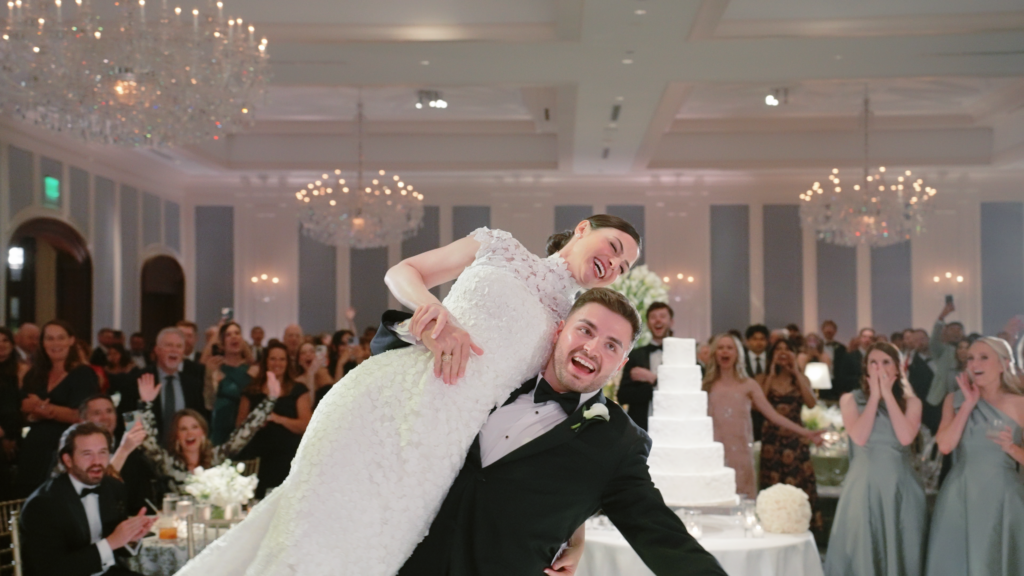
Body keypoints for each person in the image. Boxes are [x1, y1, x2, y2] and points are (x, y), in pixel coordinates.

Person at [173, 215, 641, 575]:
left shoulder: (574, 321)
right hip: (378, 400)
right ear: (583, 229)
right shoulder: (499, 246)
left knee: (368, 556)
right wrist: (435, 314)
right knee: (302, 529)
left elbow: (553, 423)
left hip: (437, 449)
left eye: (623, 267)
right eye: (615, 248)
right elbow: (404, 272)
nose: (614, 265)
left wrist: (575, 532)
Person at [383, 288, 726, 576]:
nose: (592, 349)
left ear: (621, 363)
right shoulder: (493, 373)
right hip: (405, 562)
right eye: (585, 330)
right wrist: (420, 330)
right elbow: (384, 361)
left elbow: (659, 533)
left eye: (611, 345)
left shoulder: (620, 443)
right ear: (559, 330)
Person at [823, 342, 925, 576]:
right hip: (864, 486)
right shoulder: (850, 400)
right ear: (866, 369)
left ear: (897, 369)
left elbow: (906, 436)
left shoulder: (912, 402)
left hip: (900, 486)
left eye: (886, 362)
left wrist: (887, 395)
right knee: (862, 550)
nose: (879, 368)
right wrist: (874, 397)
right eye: (873, 363)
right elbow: (859, 437)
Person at [926, 337, 1024, 576]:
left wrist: (1012, 449)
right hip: (961, 493)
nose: (974, 363)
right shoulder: (954, 399)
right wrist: (968, 405)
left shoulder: (1019, 403)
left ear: (1003, 364)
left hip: (1003, 495)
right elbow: (946, 445)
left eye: (983, 357)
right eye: (970, 358)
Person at [19, 422, 155, 576]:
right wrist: (111, 543)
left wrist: (131, 538)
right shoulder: (42, 504)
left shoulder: (112, 487)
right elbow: (51, 570)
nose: (97, 461)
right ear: (68, 460)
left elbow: (118, 548)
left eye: (103, 452)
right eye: (87, 454)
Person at [704, 334, 823, 499]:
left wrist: (806, 433)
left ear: (737, 353)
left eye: (730, 348)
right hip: (713, 452)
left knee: (741, 499)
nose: (725, 352)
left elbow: (773, 415)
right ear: (714, 353)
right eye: (721, 347)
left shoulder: (748, 385)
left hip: (741, 453)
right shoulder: (706, 385)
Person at [135, 373, 280, 495]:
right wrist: (145, 404)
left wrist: (270, 400)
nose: (189, 433)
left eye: (194, 427)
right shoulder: (167, 463)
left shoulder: (215, 457)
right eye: (183, 429)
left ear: (203, 432)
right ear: (176, 436)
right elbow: (147, 443)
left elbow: (244, 433)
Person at [17, 320, 100, 496]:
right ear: (43, 343)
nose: (55, 344)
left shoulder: (83, 374)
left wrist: (44, 410)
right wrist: (39, 412)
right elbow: (23, 405)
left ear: (71, 340)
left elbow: (81, 414)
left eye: (60, 338)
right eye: (49, 339)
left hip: (65, 450)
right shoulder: (35, 373)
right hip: (33, 449)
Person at [758, 339, 822, 530]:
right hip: (772, 438)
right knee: (772, 480)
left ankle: (803, 523)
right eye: (778, 349)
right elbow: (758, 405)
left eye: (787, 349)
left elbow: (811, 403)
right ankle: (772, 522)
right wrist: (771, 373)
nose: (783, 352)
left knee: (799, 479)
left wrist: (795, 371)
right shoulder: (762, 378)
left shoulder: (802, 378)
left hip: (796, 437)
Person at [237, 341, 311, 497]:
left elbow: (306, 425)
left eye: (282, 359)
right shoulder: (251, 391)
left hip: (289, 459)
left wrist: (278, 419)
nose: (277, 363)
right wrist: (256, 422)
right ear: (266, 362)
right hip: (258, 459)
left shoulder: (298, 390)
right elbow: (239, 426)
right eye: (273, 359)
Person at [117, 328, 208, 446]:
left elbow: (200, 421)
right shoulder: (138, 380)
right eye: (169, 345)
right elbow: (128, 418)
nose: (174, 350)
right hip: (145, 455)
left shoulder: (193, 384)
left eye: (179, 346)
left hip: (183, 454)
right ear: (157, 350)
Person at [79, 395, 155, 513]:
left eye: (109, 411)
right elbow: (98, 489)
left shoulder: (132, 447)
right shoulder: (75, 449)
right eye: (97, 413)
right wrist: (124, 450)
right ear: (83, 420)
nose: (105, 418)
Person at [617, 302, 673, 431]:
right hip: (641, 428)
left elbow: (686, 390)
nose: (658, 320)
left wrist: (653, 380)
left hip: (673, 428)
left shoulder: (681, 354)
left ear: (671, 322)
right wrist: (650, 390)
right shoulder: (635, 355)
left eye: (662, 316)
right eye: (653, 317)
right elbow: (623, 396)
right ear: (648, 324)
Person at [203, 321, 255, 445]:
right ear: (222, 343)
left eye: (237, 333)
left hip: (246, 427)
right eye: (228, 334)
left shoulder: (252, 370)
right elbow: (209, 402)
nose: (234, 337)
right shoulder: (215, 368)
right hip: (221, 425)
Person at [925, 302, 964, 406]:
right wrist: (942, 317)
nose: (956, 332)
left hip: (962, 397)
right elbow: (934, 339)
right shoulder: (942, 350)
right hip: (941, 398)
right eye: (952, 329)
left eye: (959, 330)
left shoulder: (970, 350)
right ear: (945, 332)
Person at [835, 327, 875, 397]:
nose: (867, 340)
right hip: (854, 392)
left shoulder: (876, 357)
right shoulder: (849, 356)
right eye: (864, 337)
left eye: (870, 338)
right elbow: (843, 377)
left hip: (873, 393)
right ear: (859, 339)